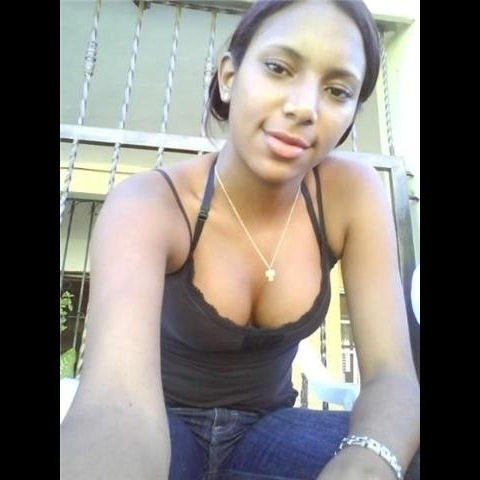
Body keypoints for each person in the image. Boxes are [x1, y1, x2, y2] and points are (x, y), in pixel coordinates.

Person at [60, 0, 420, 479]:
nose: (304, 107)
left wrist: (367, 462)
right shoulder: (150, 204)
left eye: (337, 91)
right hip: (159, 426)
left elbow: (392, 376)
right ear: (229, 77)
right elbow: (112, 405)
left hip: (271, 433)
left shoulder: (351, 194)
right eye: (278, 68)